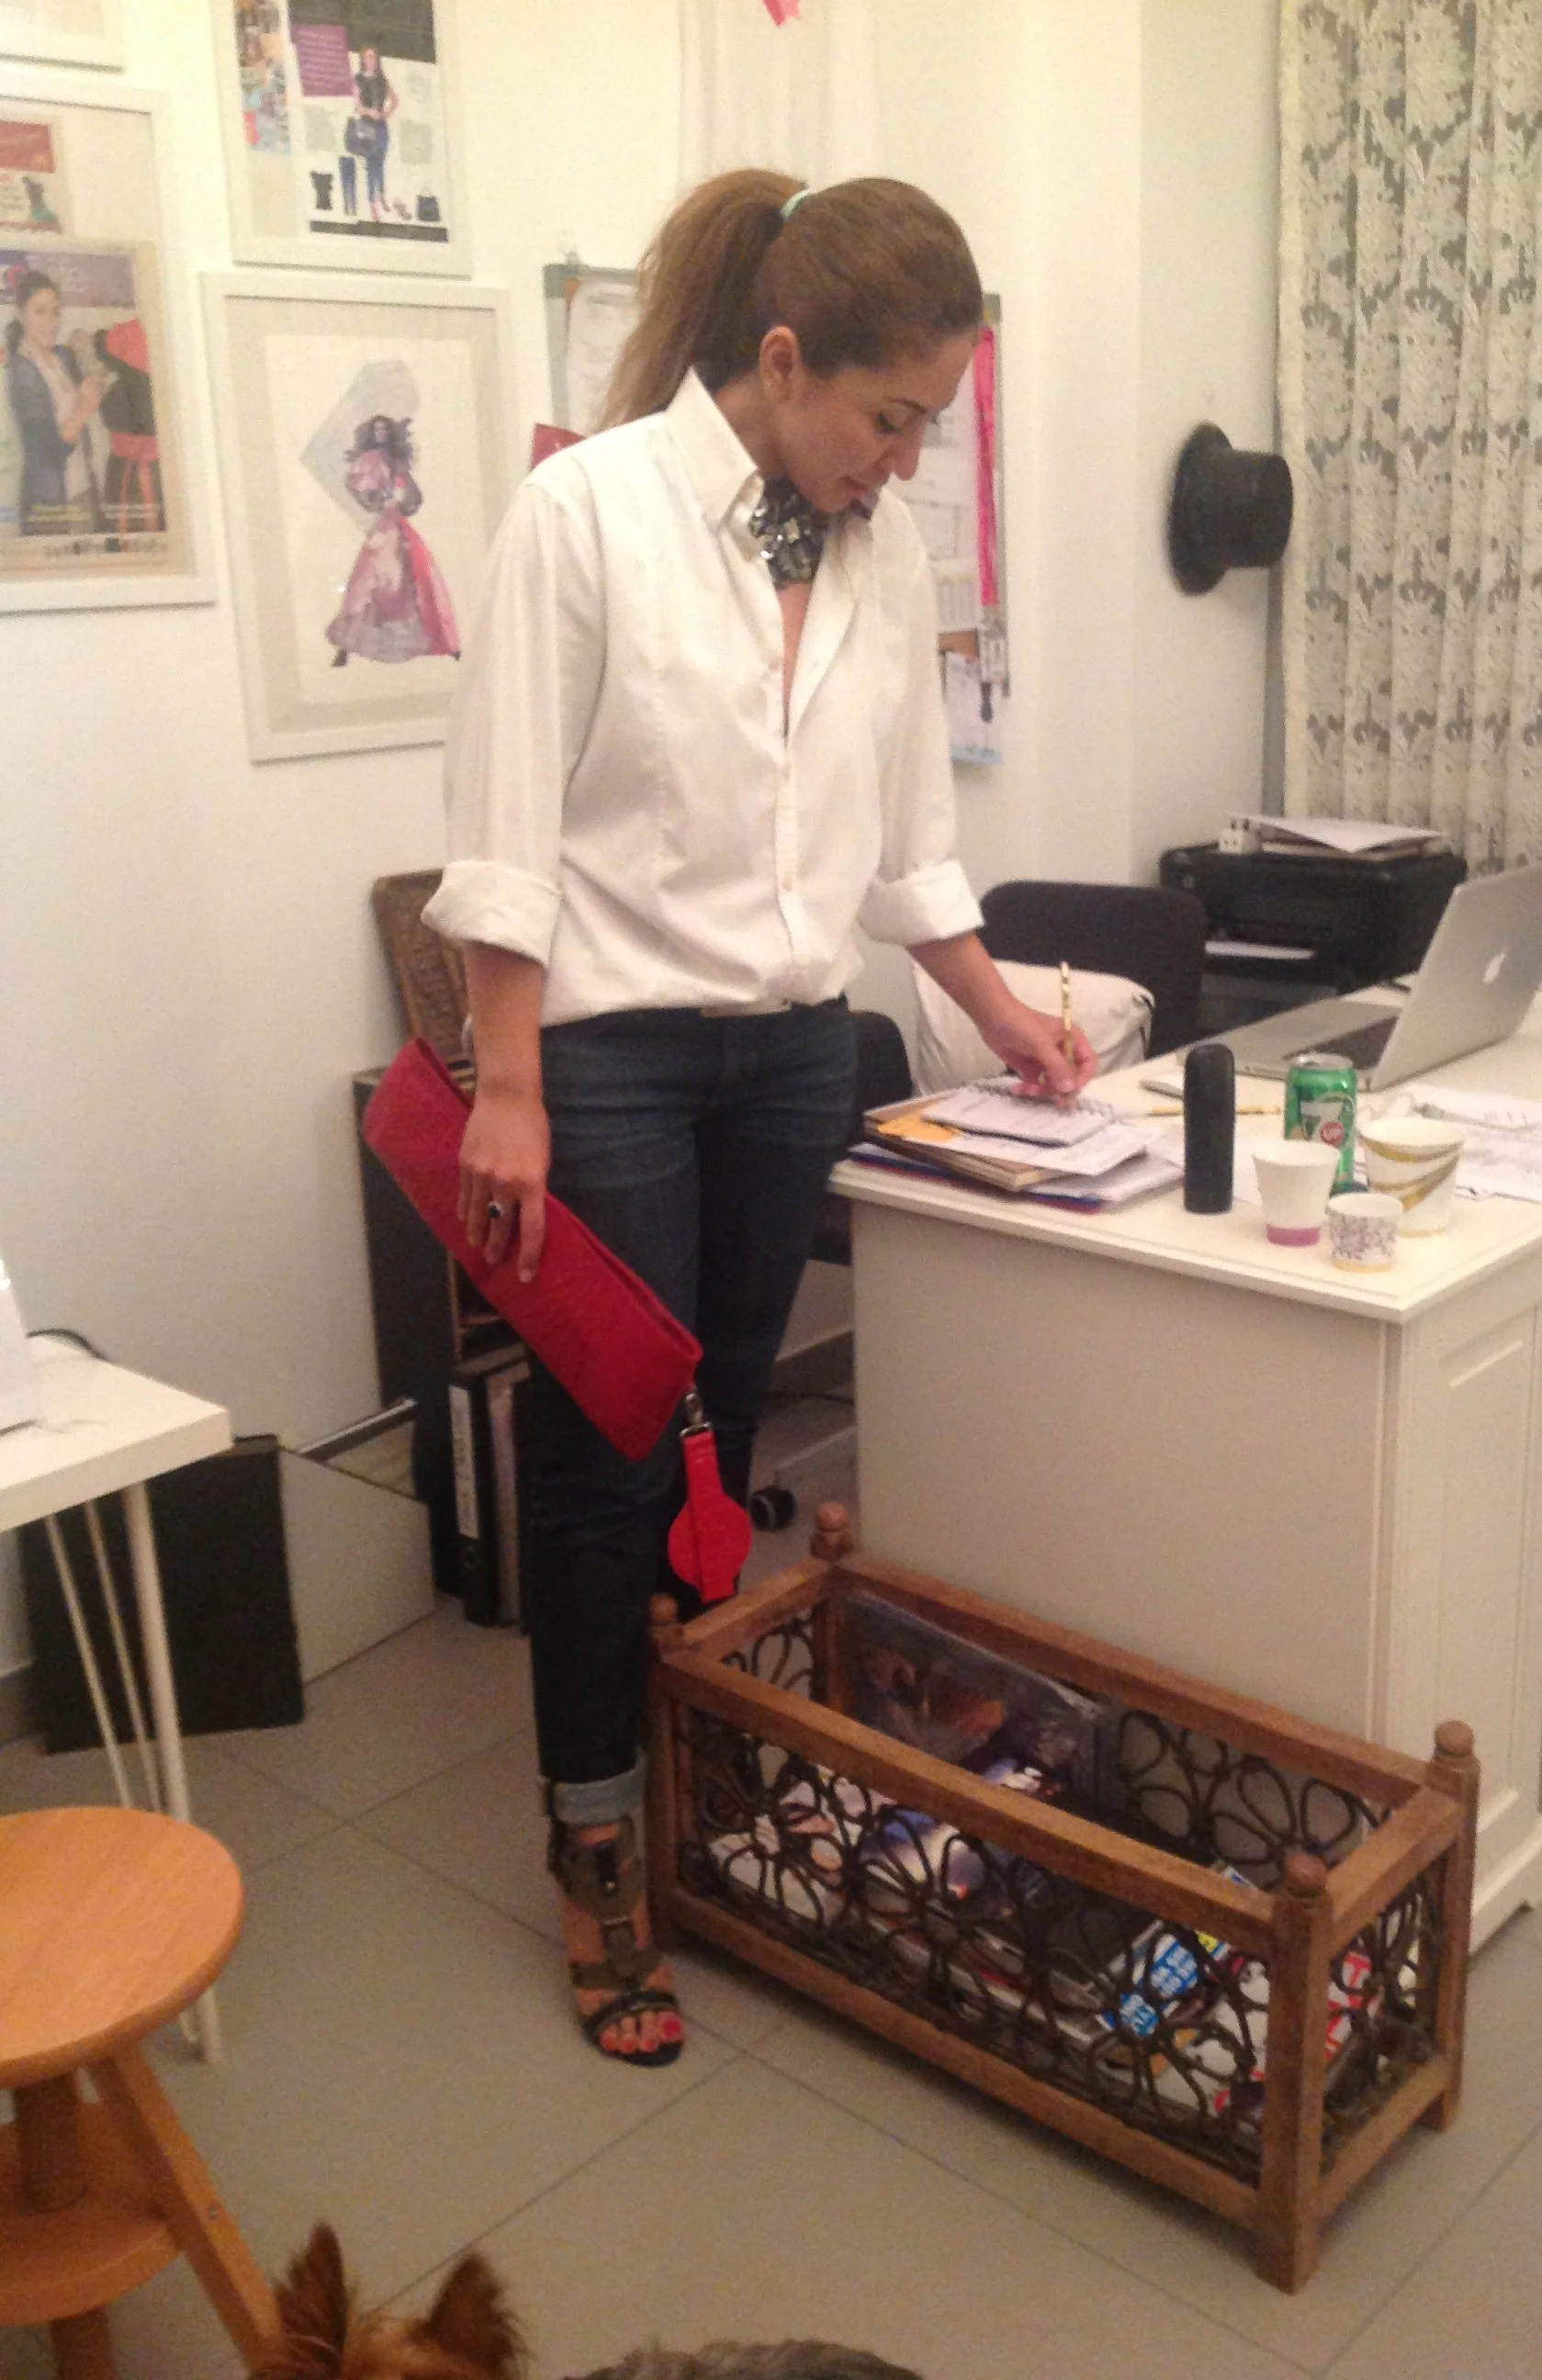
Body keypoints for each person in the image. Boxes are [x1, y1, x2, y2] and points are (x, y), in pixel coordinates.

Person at [422, 168, 1095, 2070]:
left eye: (926, 428)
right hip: (613, 1059)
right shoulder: (588, 511)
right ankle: (592, 1842)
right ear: (783, 359)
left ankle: (686, 1755)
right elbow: (502, 831)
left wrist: (1001, 1019)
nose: (903, 460)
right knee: (604, 1449)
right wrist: (511, 1089)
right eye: (888, 419)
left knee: (716, 1427)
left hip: (794, 1049)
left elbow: (906, 845)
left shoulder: (875, 552)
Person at [324, 412, 458, 665]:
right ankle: (345, 649)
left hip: (400, 526)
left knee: (418, 577)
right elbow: (356, 485)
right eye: (376, 430)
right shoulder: (368, 461)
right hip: (384, 528)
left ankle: (446, 642)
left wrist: (402, 498)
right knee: (371, 579)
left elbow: (412, 495)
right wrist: (377, 500)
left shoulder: (397, 463)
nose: (381, 434)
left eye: (384, 429)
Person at [5, 270, 105, 537]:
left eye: (55, 312)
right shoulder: (20, 370)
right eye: (40, 311)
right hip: (51, 504)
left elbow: (96, 384)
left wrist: (83, 349)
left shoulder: (62, 356)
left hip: (83, 491)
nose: (51, 322)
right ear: (20, 315)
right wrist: (84, 409)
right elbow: (49, 450)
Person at [340, 44, 397, 221]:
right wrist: (368, 111)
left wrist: (387, 113)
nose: (370, 60)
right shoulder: (357, 79)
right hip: (366, 128)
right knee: (371, 166)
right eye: (367, 57)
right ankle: (373, 204)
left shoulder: (382, 79)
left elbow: (395, 100)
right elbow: (357, 107)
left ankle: (381, 196)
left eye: (373, 57)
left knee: (380, 164)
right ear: (362, 59)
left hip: (381, 127)